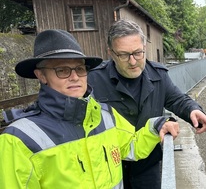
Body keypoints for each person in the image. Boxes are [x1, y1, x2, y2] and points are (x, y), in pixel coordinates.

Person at [0, 29, 179, 188]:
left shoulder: (105, 115)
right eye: (62, 70)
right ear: (41, 75)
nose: (75, 77)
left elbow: (132, 145)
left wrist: (157, 126)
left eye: (80, 68)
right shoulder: (19, 139)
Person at [88, 19, 206, 188]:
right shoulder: (93, 80)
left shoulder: (158, 75)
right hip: (110, 168)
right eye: (124, 55)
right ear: (111, 53)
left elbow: (177, 99)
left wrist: (193, 109)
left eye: (138, 53)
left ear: (144, 48)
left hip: (148, 166)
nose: (133, 61)